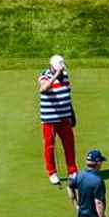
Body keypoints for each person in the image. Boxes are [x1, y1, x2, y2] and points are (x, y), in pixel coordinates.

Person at [38, 53, 77, 185]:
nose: (60, 71)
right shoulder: (44, 76)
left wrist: (72, 113)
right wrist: (55, 76)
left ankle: (72, 171)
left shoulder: (65, 75)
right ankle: (52, 173)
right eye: (57, 69)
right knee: (49, 147)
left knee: (69, 145)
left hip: (65, 118)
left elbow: (67, 96)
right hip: (50, 120)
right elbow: (43, 88)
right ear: (51, 67)